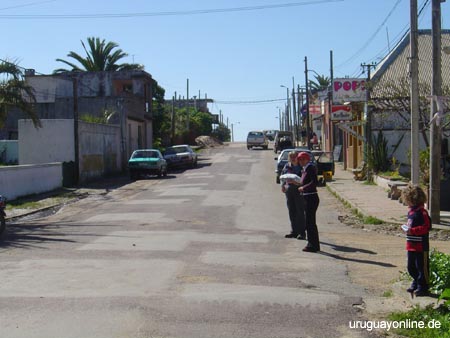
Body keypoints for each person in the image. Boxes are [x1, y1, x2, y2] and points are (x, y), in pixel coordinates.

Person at [401, 184, 431, 297]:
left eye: (407, 200)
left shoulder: (422, 213)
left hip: (421, 245)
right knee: (411, 266)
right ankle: (416, 281)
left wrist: (412, 231)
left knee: (422, 267)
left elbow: (426, 227)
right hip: (411, 244)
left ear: (413, 200)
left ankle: (423, 287)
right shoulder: (411, 212)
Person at [297, 152, 320, 252]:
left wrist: (303, 187)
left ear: (307, 159)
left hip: (311, 197)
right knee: (308, 222)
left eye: (303, 159)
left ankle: (313, 245)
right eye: (300, 159)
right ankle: (312, 244)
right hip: (306, 197)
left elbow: (314, 182)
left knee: (310, 223)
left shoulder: (310, 168)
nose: (301, 161)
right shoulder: (304, 170)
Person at [280, 151, 306, 240]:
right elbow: (282, 177)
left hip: (299, 191)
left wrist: (296, 183)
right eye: (291, 157)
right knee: (292, 211)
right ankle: (294, 231)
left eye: (294, 156)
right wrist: (282, 186)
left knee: (300, 212)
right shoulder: (287, 166)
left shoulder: (301, 167)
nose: (292, 158)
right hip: (289, 190)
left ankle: (302, 233)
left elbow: (304, 180)